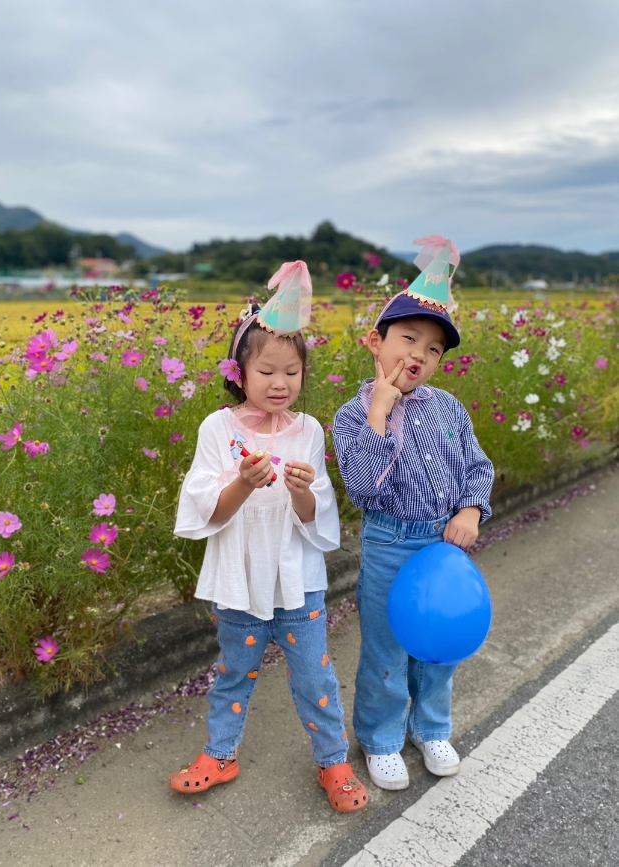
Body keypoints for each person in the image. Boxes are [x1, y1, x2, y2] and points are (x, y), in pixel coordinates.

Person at [169, 261, 368, 813]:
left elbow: (316, 514)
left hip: (296, 581)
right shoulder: (218, 428)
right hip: (239, 579)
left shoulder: (308, 431)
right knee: (234, 671)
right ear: (239, 373)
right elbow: (205, 507)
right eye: (267, 372)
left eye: (292, 372)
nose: (281, 384)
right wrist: (241, 482)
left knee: (314, 675)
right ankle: (220, 753)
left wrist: (302, 489)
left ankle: (333, 762)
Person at [333, 237, 494, 790]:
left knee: (441, 646)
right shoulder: (352, 413)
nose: (418, 355)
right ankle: (380, 738)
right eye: (407, 338)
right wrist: (380, 410)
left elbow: (477, 467)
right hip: (388, 543)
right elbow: (363, 488)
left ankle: (431, 728)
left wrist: (470, 511)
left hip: (444, 545)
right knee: (386, 646)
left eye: (432, 349)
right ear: (374, 342)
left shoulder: (448, 407)